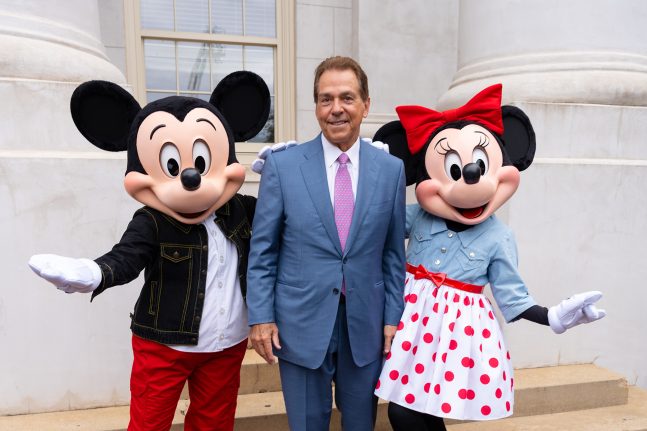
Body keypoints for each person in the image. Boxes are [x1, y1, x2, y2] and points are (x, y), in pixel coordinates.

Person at [246, 56, 406, 431]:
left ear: (366, 105)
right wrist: (261, 317)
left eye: (347, 98)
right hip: (299, 323)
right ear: (316, 106)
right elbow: (263, 252)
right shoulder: (282, 167)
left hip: (365, 325)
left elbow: (393, 254)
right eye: (325, 99)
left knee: (360, 424)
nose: (336, 109)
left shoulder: (391, 170)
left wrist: (393, 318)